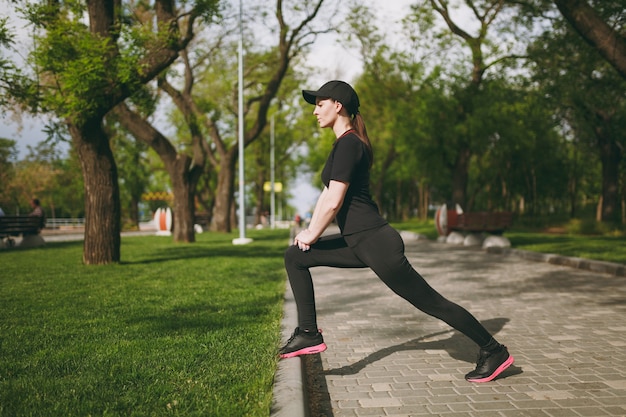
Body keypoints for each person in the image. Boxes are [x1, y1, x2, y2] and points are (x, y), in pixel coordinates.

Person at [279, 80, 514, 383]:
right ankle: (308, 333)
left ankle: (493, 350)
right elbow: (327, 194)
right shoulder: (343, 145)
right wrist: (309, 230)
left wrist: (312, 234)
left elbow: (335, 201)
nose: (315, 111)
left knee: (431, 302)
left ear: (338, 106)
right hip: (359, 241)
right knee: (295, 256)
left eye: (320, 104)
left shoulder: (350, 144)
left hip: (376, 243)